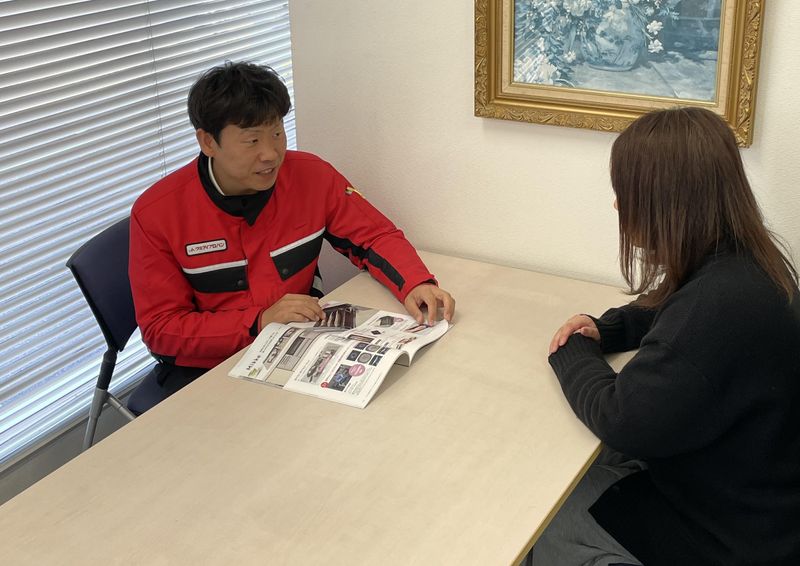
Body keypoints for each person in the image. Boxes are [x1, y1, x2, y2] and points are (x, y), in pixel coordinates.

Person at [536, 107, 800, 565]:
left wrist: (572, 350)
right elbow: (670, 305)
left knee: (544, 518)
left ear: (664, 201)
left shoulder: (717, 305)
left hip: (729, 536)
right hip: (759, 497)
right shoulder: (749, 263)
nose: (617, 205)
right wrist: (611, 328)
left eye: (626, 192)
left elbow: (622, 420)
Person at [129, 61, 454, 402]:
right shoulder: (157, 213)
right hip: (208, 370)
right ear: (208, 142)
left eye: (277, 133)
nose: (271, 154)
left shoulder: (311, 176)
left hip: (302, 348)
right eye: (252, 140)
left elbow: (374, 236)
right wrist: (258, 322)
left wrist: (415, 282)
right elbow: (161, 329)